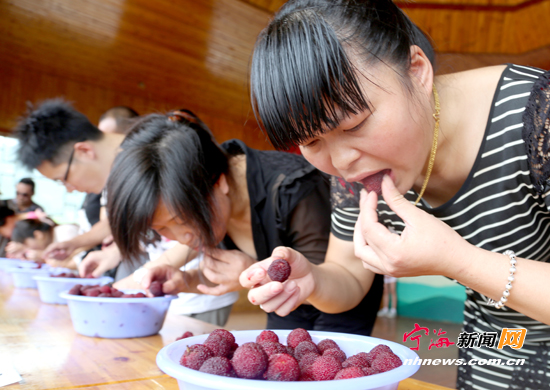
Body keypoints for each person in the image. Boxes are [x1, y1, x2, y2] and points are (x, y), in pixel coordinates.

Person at [245, 0, 550, 388]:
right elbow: (350, 278)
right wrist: (314, 283)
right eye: (311, 140)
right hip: (490, 354)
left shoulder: (538, 116)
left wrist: (457, 260)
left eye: (355, 124)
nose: (342, 162)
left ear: (417, 71)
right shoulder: (353, 168)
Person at [106, 109, 382, 334]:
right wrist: (187, 279)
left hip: (342, 297)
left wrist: (254, 273)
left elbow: (333, 278)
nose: (181, 237)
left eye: (180, 221)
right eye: (161, 228)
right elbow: (191, 249)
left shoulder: (297, 190)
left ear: (219, 183)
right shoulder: (207, 189)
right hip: (282, 302)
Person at [13, 99, 125, 270]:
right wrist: (73, 244)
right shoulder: (112, 177)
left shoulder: (151, 157)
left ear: (84, 151)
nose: (70, 189)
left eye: (63, 179)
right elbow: (114, 221)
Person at [10, 219, 79, 266]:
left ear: (38, 235)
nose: (29, 248)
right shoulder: (53, 240)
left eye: (26, 244)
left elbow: (79, 262)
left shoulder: (65, 232)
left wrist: (45, 257)